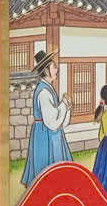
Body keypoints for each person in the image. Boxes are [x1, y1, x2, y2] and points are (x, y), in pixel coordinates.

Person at [20, 50, 70, 187]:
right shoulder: (43, 92)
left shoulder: (47, 88)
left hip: (49, 132)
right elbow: (52, 122)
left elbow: (57, 117)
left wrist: (66, 107)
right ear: (46, 71)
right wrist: (64, 105)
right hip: (45, 133)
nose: (57, 69)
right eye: (54, 67)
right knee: (45, 171)